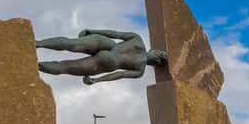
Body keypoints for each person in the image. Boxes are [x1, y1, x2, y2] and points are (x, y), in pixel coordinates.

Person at [36, 29, 167, 85]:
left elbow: (114, 34)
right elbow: (118, 75)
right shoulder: (140, 70)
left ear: (154, 51)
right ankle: (34, 65)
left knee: (70, 43)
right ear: (154, 63)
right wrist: (96, 80)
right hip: (110, 61)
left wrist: (93, 31)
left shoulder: (137, 39)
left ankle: (38, 43)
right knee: (65, 67)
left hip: (110, 45)